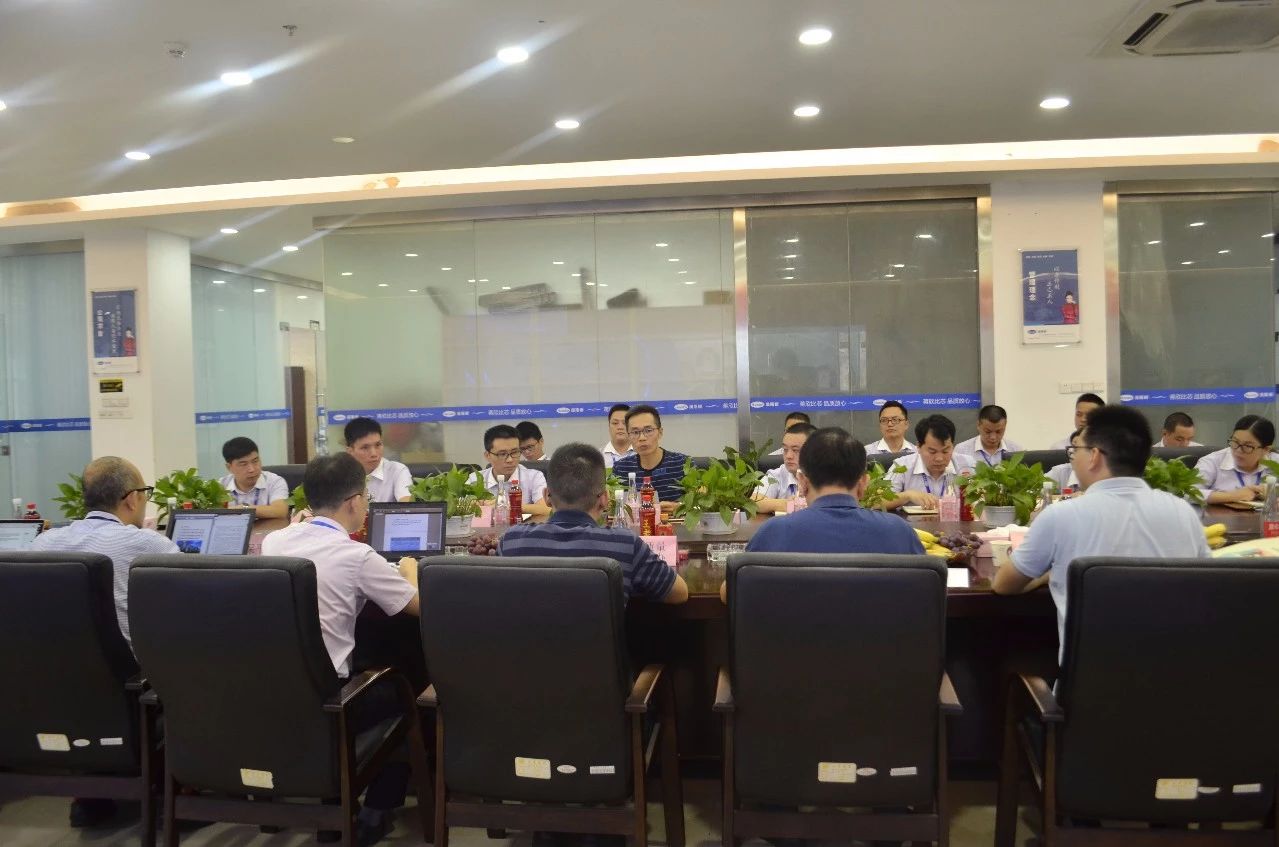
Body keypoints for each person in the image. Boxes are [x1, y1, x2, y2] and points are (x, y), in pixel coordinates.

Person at [261, 453, 419, 845]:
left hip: (276, 692)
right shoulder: (357, 555)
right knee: (403, 691)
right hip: (333, 701)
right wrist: (410, 570)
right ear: (354, 501)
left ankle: (331, 808)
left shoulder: (274, 541)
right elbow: (418, 606)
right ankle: (376, 811)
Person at [994, 405, 1210, 662]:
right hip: (1174, 678)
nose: (1073, 457)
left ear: (1094, 456)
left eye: (1076, 450)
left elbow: (1003, 585)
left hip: (1090, 684)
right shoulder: (1183, 513)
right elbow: (1206, 583)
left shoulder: (1060, 516)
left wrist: (1048, 575)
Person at [31, 456, 179, 829]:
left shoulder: (43, 544)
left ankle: (92, 793)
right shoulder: (147, 544)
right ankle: (186, 791)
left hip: (52, 691)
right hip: (128, 692)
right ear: (131, 498)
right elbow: (193, 588)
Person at [498, 443, 688, 604]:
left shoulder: (512, 541)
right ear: (604, 499)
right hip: (600, 640)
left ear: (547, 496)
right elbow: (680, 594)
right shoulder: (624, 544)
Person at [743, 427, 923, 557]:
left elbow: (739, 590)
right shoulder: (900, 533)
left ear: (802, 482)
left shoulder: (772, 533)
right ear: (863, 484)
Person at [884, 415, 975, 510]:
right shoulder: (902, 466)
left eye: (945, 451)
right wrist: (907, 495)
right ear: (918, 447)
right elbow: (877, 502)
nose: (939, 458)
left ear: (952, 445)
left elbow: (983, 500)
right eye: (932, 452)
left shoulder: (967, 464)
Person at [611, 405, 688, 509]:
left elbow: (701, 507)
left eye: (648, 430)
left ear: (660, 432)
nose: (642, 438)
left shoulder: (683, 464)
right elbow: (613, 508)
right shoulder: (621, 468)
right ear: (629, 436)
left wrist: (679, 507)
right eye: (635, 432)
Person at [1195, 414, 1278, 504]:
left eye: (1247, 446)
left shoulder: (1276, 462)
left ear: (1266, 449)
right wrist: (1233, 496)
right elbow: (1189, 493)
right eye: (1235, 442)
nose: (1238, 450)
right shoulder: (1212, 461)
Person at [468, 424, 550, 515]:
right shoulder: (474, 479)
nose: (510, 460)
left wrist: (507, 506)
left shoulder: (534, 477)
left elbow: (546, 509)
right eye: (502, 454)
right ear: (487, 456)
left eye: (514, 452)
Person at [218, 436, 289, 520]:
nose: (252, 469)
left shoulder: (275, 482)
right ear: (229, 467)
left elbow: (280, 511)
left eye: (255, 461)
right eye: (243, 464)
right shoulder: (220, 486)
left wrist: (244, 509)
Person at [344, 417, 412, 502]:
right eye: (365, 447)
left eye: (378, 445)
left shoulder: (397, 470)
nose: (374, 454)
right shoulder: (339, 475)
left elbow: (407, 505)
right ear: (350, 451)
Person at [753, 422, 816, 514]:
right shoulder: (777, 474)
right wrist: (788, 504)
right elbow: (754, 501)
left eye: (795, 450)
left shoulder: (827, 477)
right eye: (785, 449)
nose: (788, 456)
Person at [955, 404, 1023, 467]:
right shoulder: (961, 450)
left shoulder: (1016, 451)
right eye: (988, 432)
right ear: (978, 425)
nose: (993, 437)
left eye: (998, 432)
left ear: (1005, 425)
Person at [600, 403, 634, 468]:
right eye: (615, 423)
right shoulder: (598, 456)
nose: (620, 427)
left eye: (625, 423)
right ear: (609, 426)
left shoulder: (642, 454)